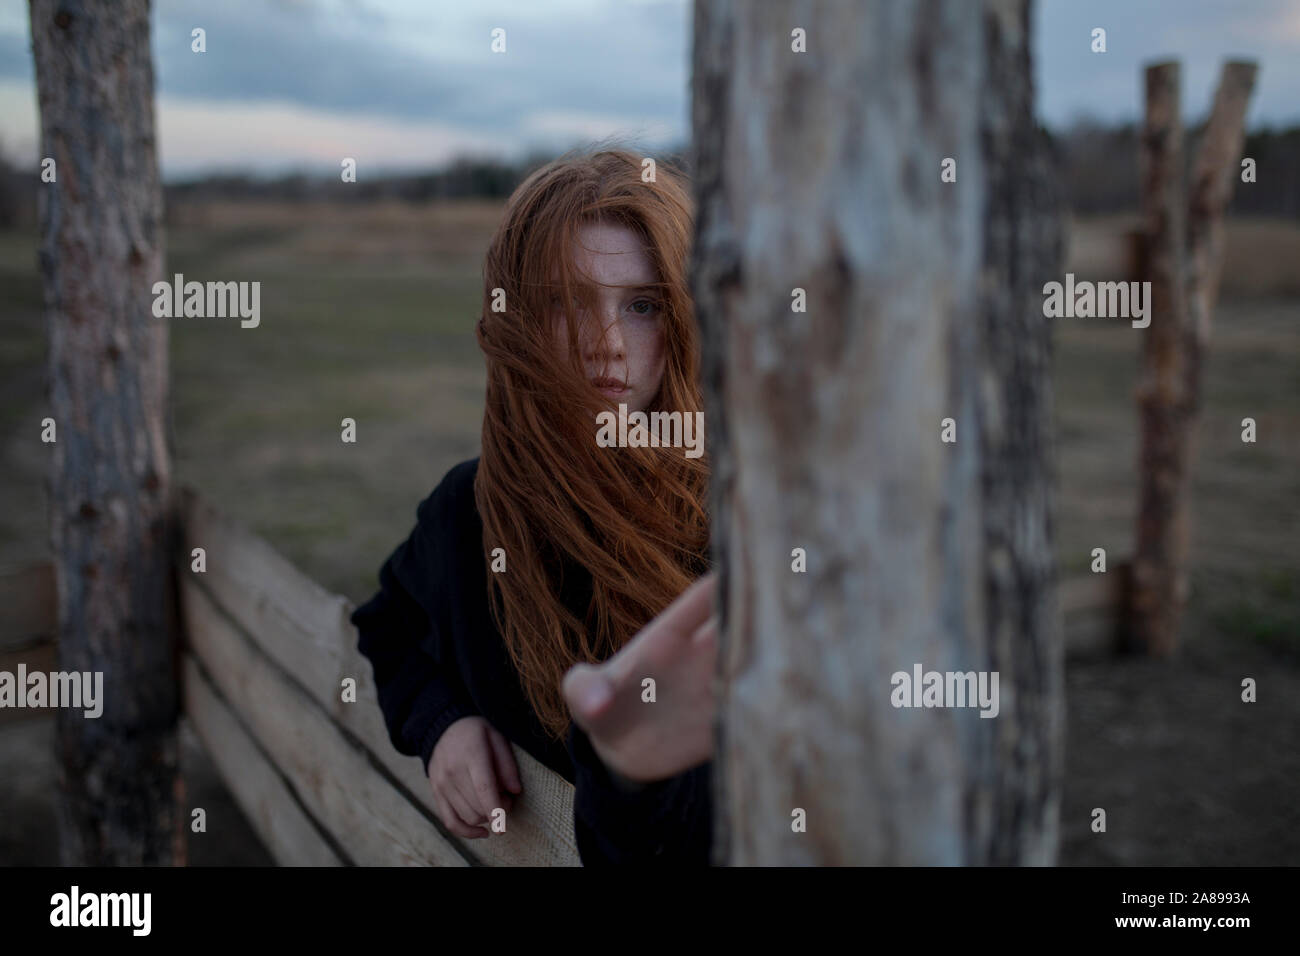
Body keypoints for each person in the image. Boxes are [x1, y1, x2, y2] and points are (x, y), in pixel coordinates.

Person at [351, 148, 718, 865]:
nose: (606, 345)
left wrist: (629, 764)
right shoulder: (468, 511)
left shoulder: (741, 525)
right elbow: (386, 629)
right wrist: (440, 721)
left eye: (642, 305)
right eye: (565, 303)